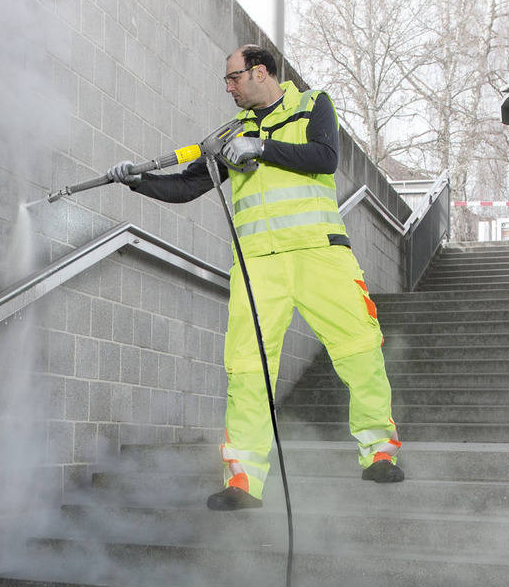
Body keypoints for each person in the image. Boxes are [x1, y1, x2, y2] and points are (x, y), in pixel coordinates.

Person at [108, 45, 405, 510]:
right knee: (247, 370)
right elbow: (189, 186)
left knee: (359, 350)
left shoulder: (312, 105)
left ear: (260, 72)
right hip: (257, 267)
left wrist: (262, 148)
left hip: (319, 255)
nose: (228, 87)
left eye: (232, 78)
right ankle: (243, 482)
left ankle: (378, 454)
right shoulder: (231, 134)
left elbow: (324, 157)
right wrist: (136, 181)